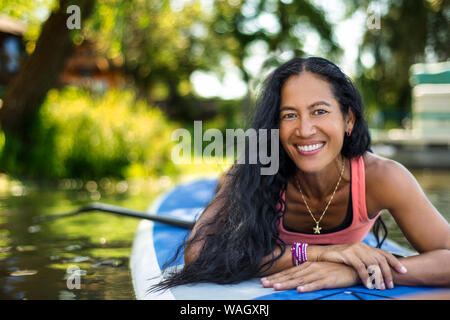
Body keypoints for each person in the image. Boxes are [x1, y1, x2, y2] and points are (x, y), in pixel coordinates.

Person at [154, 57, 450, 293]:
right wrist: (319, 253)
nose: (305, 129)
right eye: (289, 115)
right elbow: (198, 254)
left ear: (348, 119)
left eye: (319, 111)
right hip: (244, 175)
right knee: (232, 178)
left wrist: (355, 272)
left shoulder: (384, 178)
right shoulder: (257, 169)